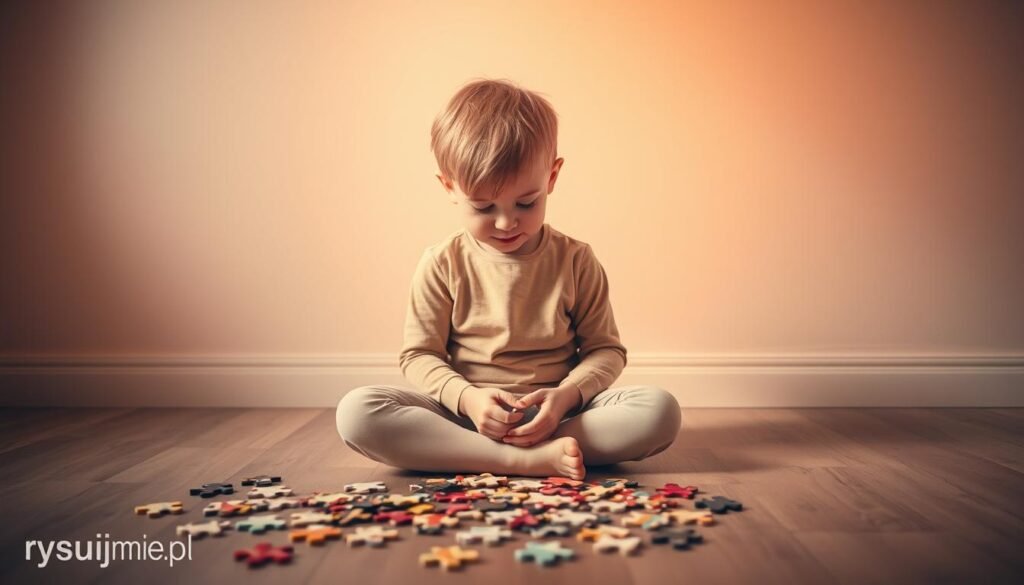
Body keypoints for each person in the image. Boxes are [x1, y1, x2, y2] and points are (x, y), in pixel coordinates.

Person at [336, 78, 680, 480]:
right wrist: (469, 400)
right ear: (449, 187)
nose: (505, 222)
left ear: (552, 177)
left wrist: (564, 397)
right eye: (483, 206)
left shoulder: (575, 259)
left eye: (526, 203)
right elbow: (419, 356)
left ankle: (512, 452)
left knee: (659, 410)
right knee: (357, 412)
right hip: (465, 419)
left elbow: (606, 351)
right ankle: (523, 460)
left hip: (562, 416)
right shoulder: (441, 262)